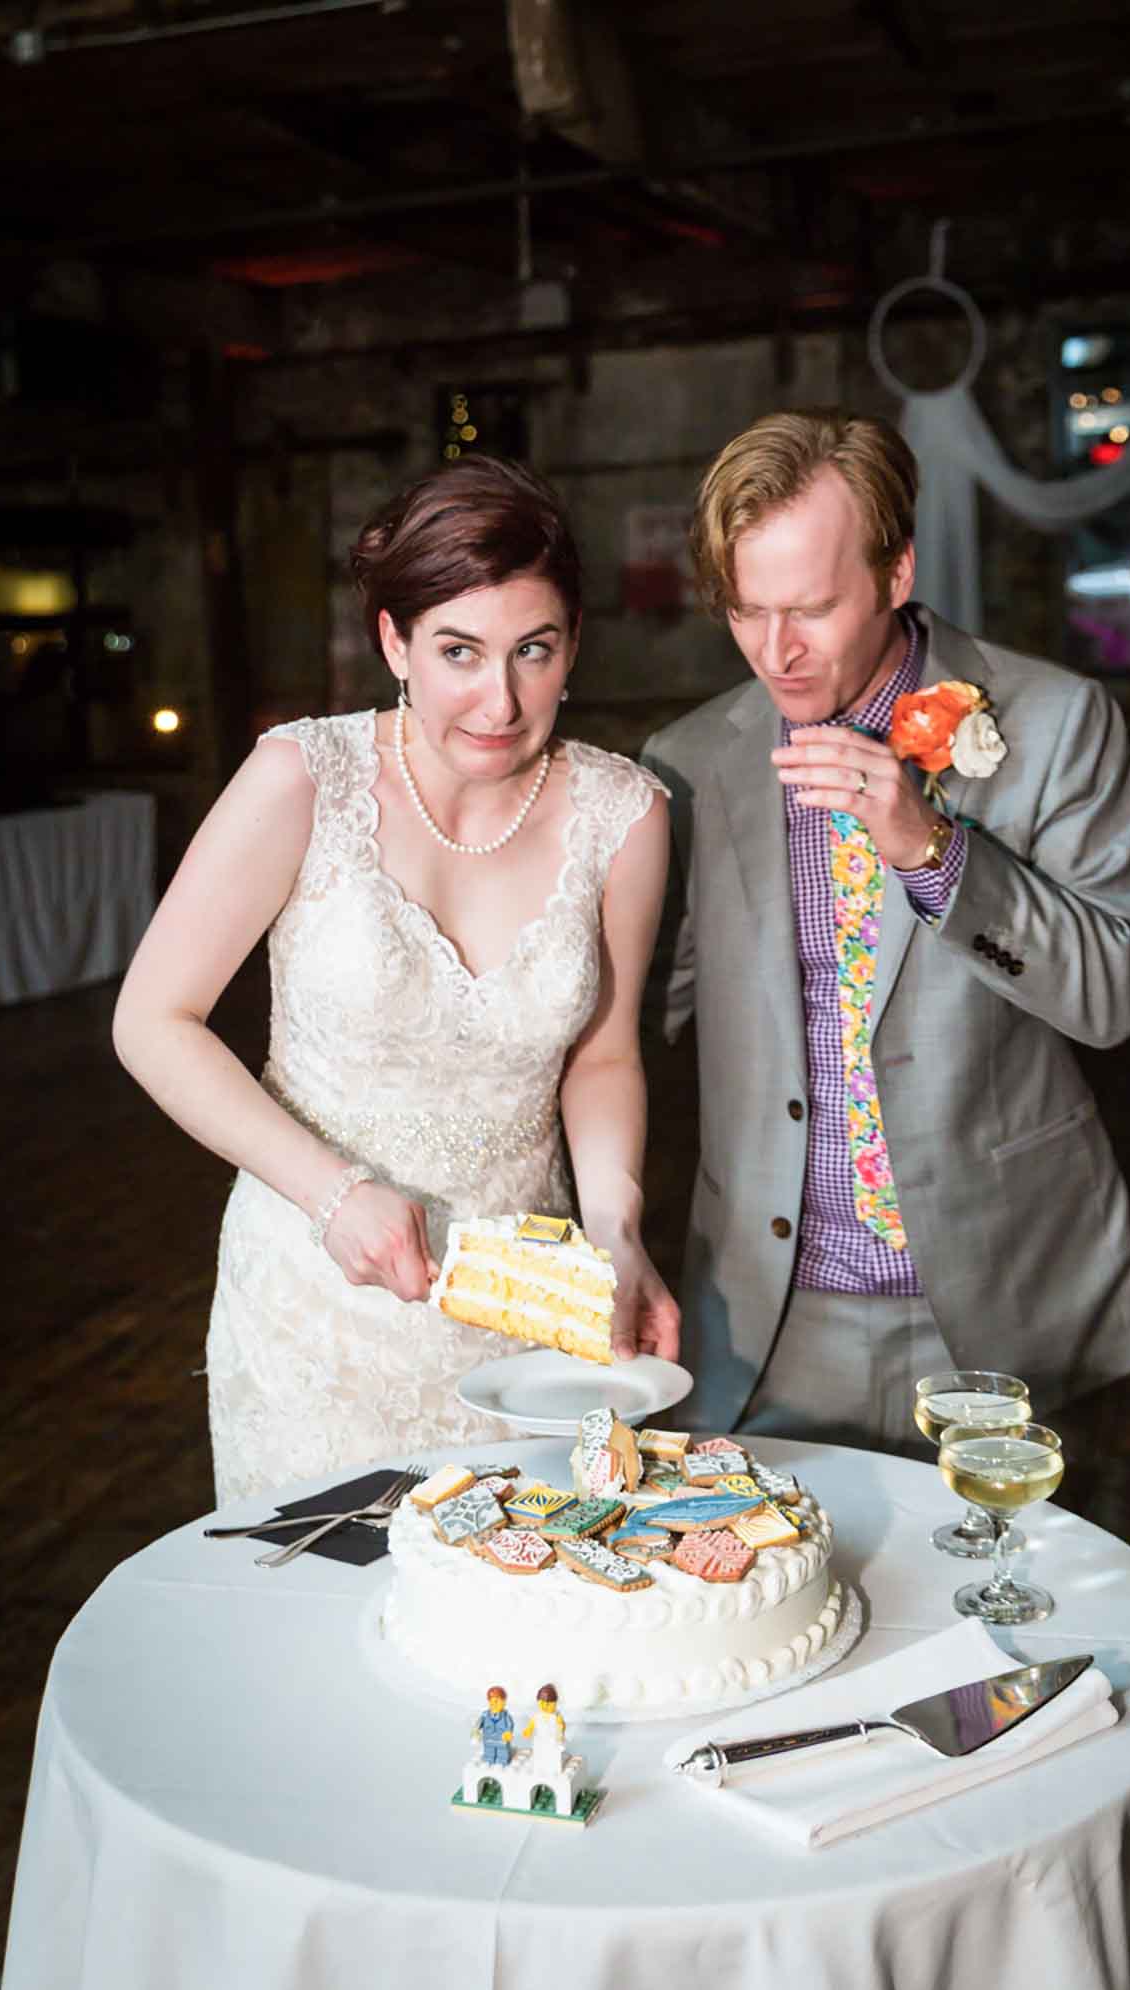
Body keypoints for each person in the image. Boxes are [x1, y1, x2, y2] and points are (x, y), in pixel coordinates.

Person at [114, 454, 680, 1502]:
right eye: (458, 650)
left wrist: (615, 1223)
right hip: (312, 1311)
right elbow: (154, 1019)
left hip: (528, 1322)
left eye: (533, 651)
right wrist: (330, 1192)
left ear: (572, 650)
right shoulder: (301, 777)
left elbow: (601, 1054)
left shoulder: (625, 816)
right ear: (395, 643)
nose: (498, 700)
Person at [640, 407, 1130, 1449]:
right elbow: (636, 1014)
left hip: (993, 1300)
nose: (775, 651)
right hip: (766, 1319)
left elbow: (1114, 995)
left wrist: (932, 849)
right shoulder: (688, 761)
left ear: (895, 571)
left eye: (811, 607)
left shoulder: (1054, 722)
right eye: (745, 612)